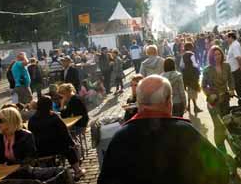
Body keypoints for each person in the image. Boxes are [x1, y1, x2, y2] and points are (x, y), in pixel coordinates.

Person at [98, 75, 229, 184]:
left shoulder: (121, 137)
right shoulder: (185, 132)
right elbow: (220, 170)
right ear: (168, 102)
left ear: (139, 102)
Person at [28, 96, 85, 181]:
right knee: (70, 148)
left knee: (67, 145)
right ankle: (77, 171)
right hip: (56, 148)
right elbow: (65, 133)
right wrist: (73, 143)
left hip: (40, 150)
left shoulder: (32, 120)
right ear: (50, 106)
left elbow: (31, 135)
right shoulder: (53, 117)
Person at [202, 46, 234, 153]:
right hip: (213, 102)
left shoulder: (227, 66)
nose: (217, 56)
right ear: (211, 56)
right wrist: (210, 94)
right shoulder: (207, 70)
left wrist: (232, 89)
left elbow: (230, 79)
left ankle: (235, 149)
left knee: (227, 123)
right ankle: (222, 153)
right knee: (218, 126)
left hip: (225, 99)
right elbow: (203, 85)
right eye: (215, 55)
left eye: (219, 54)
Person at [226, 32, 241, 106]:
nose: (226, 39)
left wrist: (240, 67)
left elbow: (238, 57)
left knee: (238, 87)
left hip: (235, 69)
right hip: (235, 68)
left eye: (227, 38)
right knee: (238, 87)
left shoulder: (234, 45)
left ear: (231, 37)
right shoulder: (234, 44)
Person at [180, 42, 202, 113]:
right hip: (192, 74)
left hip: (186, 74)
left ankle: (189, 106)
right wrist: (198, 68)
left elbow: (181, 65)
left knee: (190, 90)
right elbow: (195, 64)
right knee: (193, 89)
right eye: (192, 47)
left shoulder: (183, 55)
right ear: (190, 47)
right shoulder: (192, 55)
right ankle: (195, 107)